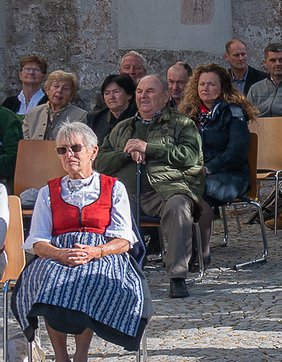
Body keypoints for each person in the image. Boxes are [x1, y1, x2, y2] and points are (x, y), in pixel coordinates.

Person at [15, 121, 146, 362]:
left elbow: (124, 239)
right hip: (57, 252)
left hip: (102, 254)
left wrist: (96, 251)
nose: (69, 155)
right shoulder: (48, 191)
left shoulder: (113, 187)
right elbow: (37, 241)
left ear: (93, 152)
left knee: (88, 278)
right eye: (62, 150)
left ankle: (82, 357)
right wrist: (59, 254)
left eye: (76, 148)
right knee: (49, 280)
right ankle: (61, 359)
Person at [95, 75, 206, 298]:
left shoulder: (182, 123)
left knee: (178, 206)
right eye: (139, 91)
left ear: (165, 97)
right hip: (128, 193)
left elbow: (191, 156)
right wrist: (126, 153)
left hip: (166, 190)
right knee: (105, 207)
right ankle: (113, 274)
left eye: (150, 91)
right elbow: (99, 161)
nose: (143, 96)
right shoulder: (123, 128)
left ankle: (177, 277)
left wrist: (148, 148)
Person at [180, 64, 255, 262]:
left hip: (230, 173)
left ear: (222, 88)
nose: (205, 88)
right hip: (197, 171)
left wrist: (209, 168)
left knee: (200, 190)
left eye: (212, 84)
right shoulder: (190, 114)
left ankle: (202, 249)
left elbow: (237, 150)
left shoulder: (233, 113)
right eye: (202, 84)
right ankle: (181, 247)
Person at [23, 71, 88, 144]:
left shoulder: (80, 116)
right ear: (47, 90)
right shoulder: (32, 113)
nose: (59, 91)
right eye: (56, 86)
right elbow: (25, 142)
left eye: (65, 88)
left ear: (71, 95)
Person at [246, 44, 282, 115]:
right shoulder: (255, 90)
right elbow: (247, 116)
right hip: (260, 125)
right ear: (265, 62)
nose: (277, 64)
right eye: (273, 60)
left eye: (281, 60)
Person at [89, 73, 137, 143]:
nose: (111, 97)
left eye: (116, 92)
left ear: (129, 95)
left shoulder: (138, 117)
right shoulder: (94, 119)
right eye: (107, 93)